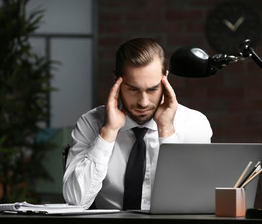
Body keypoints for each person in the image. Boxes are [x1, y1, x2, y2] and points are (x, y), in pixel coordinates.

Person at [63, 38, 212, 210]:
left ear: (165, 79)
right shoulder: (91, 122)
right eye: (133, 89)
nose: (143, 102)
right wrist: (108, 132)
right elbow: (76, 201)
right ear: (116, 81)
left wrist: (166, 130)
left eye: (152, 89)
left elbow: (191, 202)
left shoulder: (193, 123)